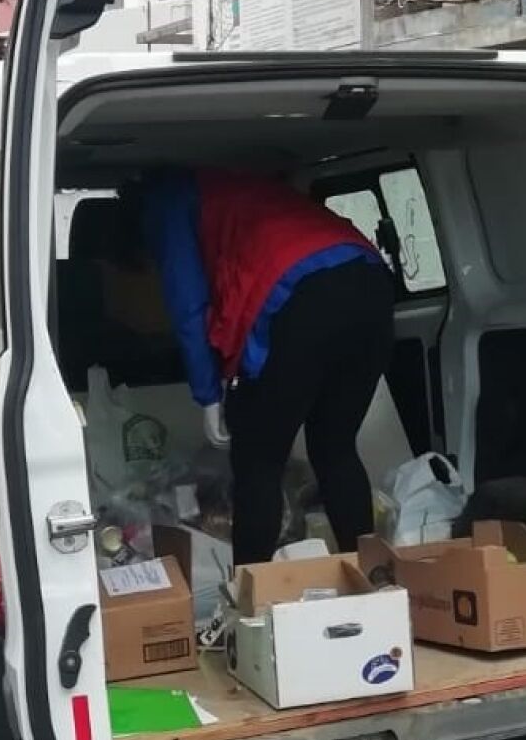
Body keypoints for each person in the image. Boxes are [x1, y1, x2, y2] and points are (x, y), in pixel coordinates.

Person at [133, 167, 393, 565]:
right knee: (336, 447)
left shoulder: (166, 201)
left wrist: (208, 394)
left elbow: (189, 304)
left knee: (259, 462)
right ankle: (373, 578)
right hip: (370, 279)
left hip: (299, 292)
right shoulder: (255, 186)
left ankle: (251, 594)